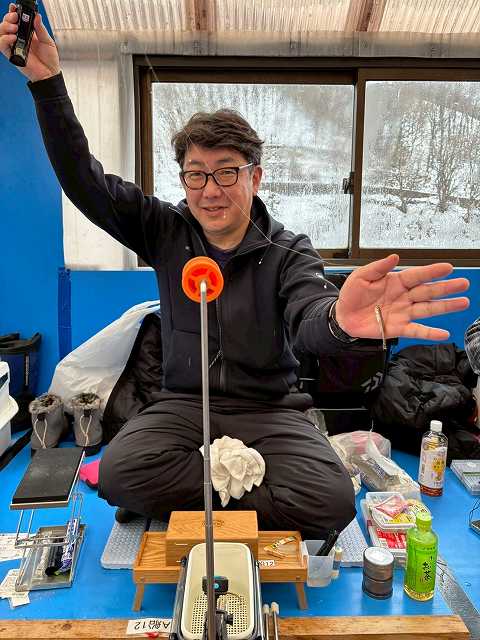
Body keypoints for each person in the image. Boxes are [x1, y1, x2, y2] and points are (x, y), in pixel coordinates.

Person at [0, 7, 470, 538]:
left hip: (270, 410)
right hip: (182, 406)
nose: (210, 190)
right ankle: (233, 496)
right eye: (196, 175)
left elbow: (311, 317)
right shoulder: (164, 229)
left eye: (227, 172)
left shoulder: (288, 250)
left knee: (333, 498)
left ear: (255, 176)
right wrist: (46, 83)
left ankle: (187, 501)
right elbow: (84, 180)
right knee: (117, 473)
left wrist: (340, 320)